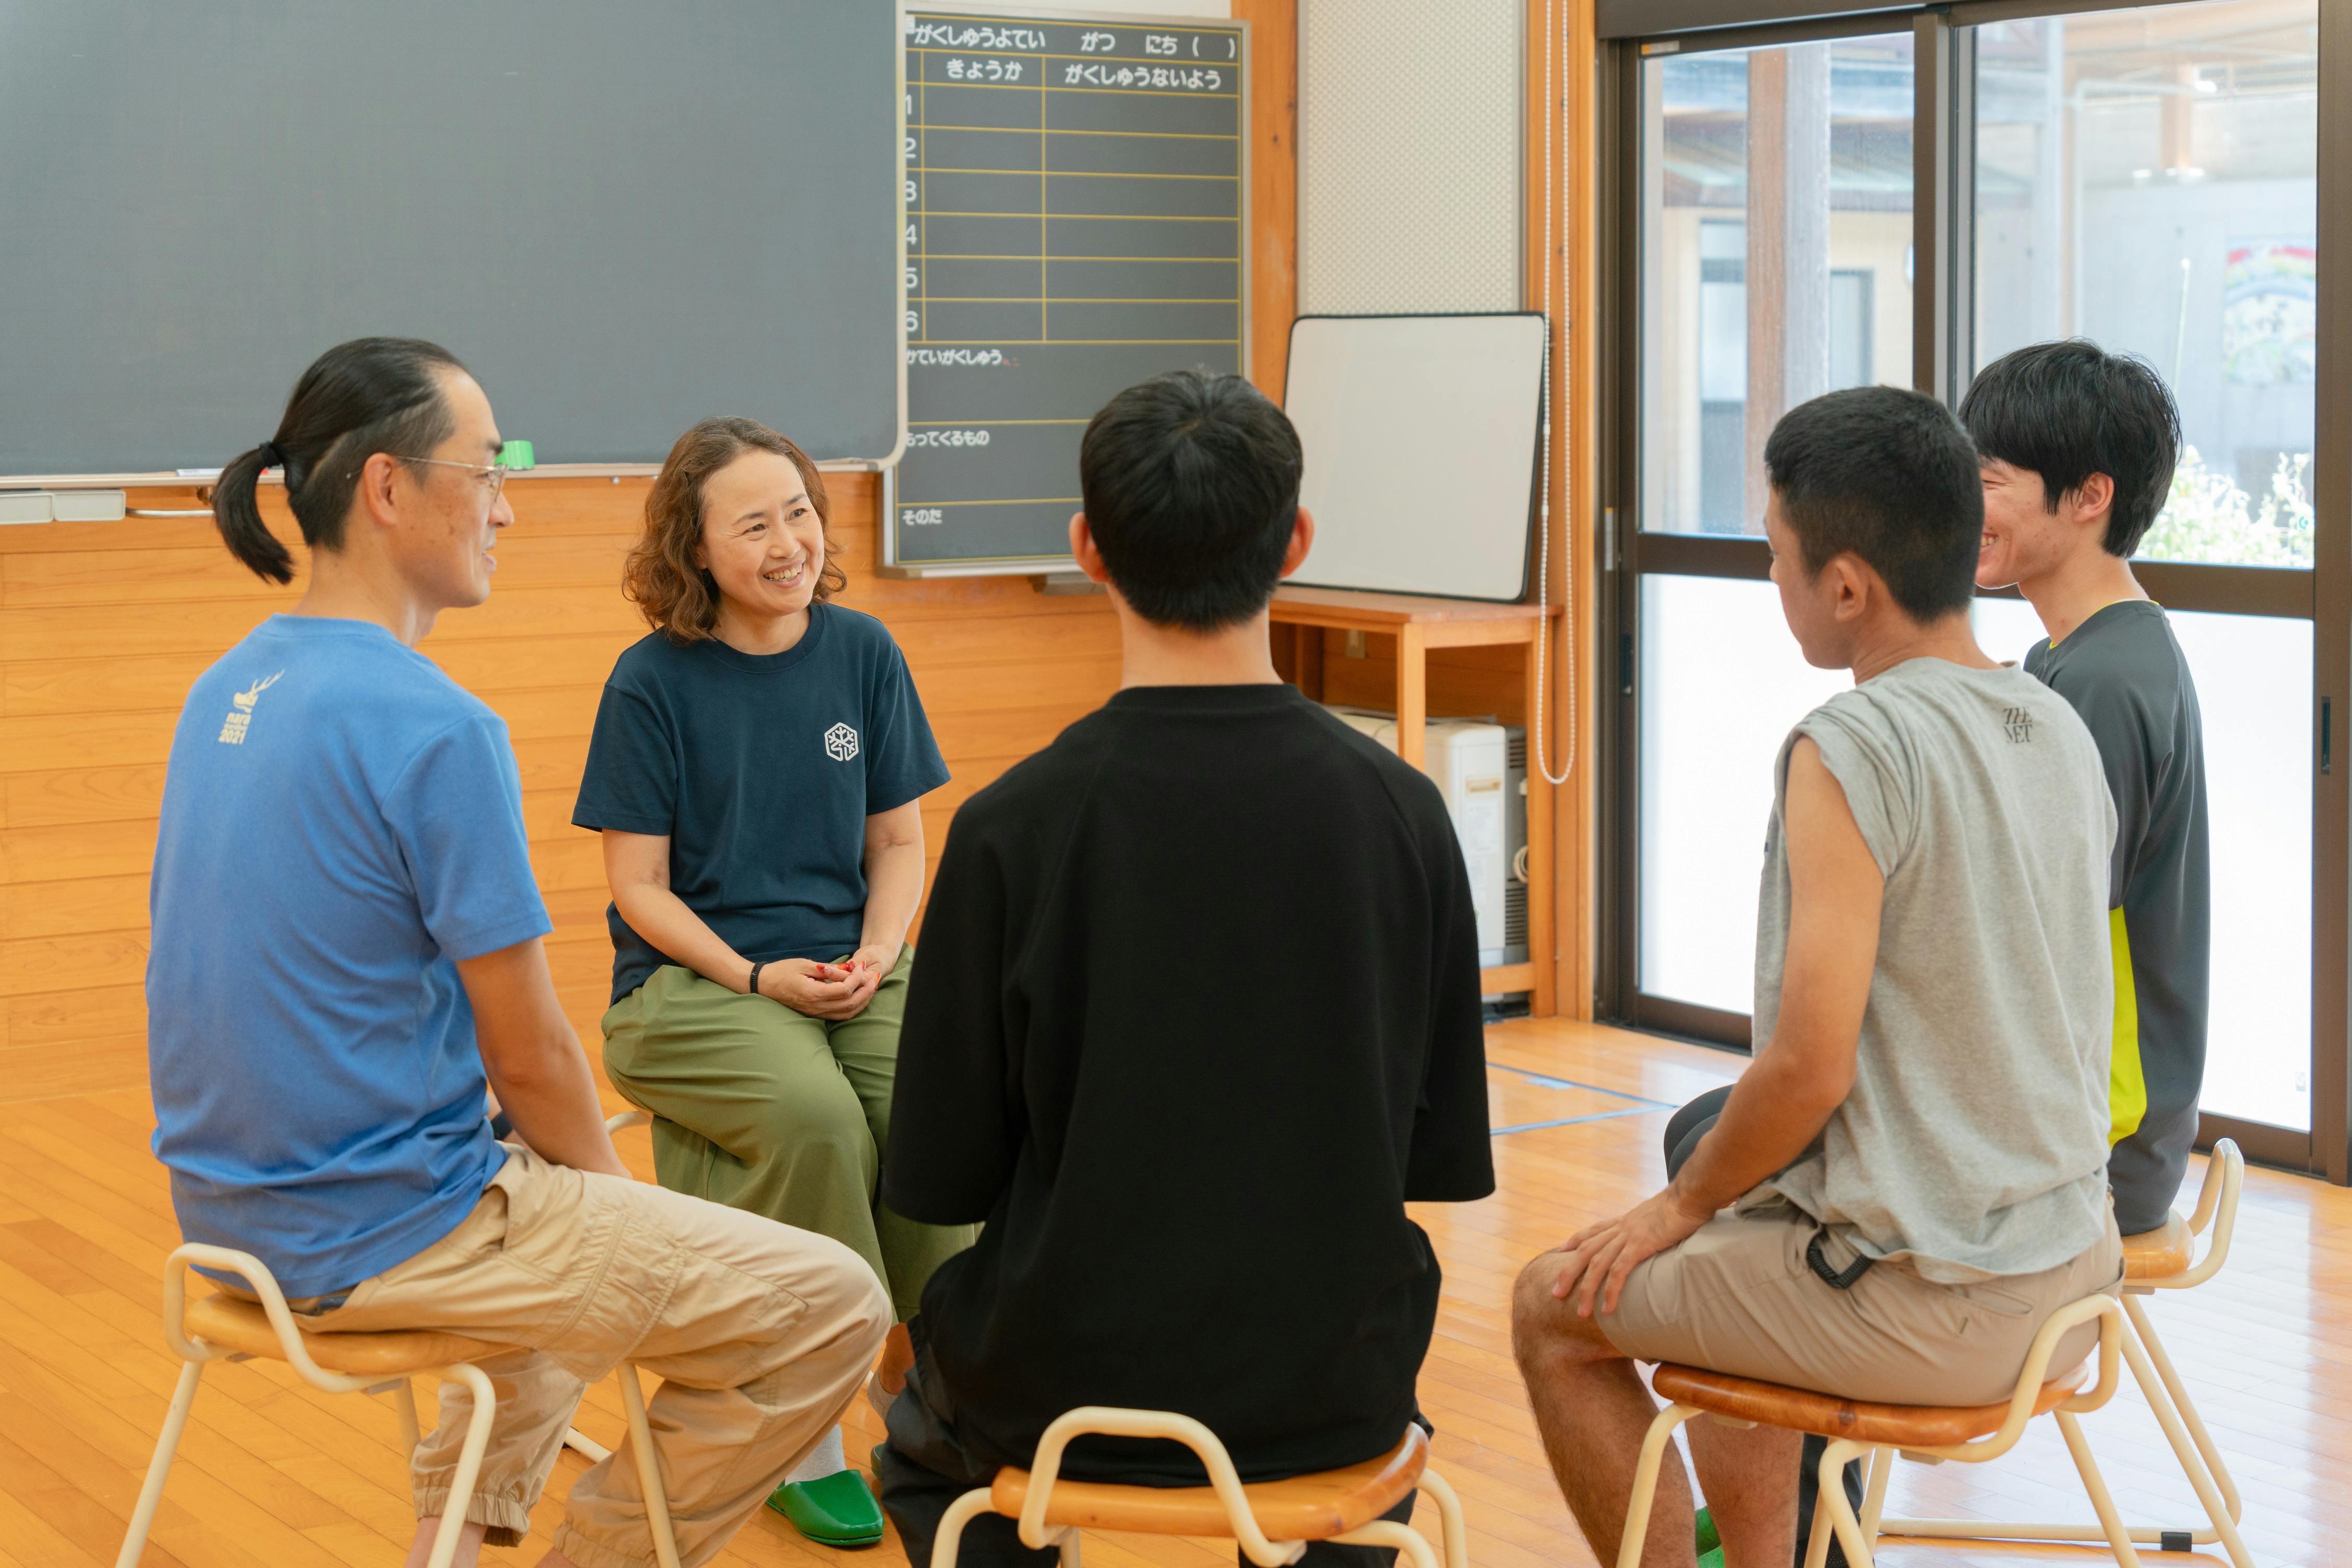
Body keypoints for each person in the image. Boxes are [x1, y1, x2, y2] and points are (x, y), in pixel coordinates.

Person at [146, 340, 889, 1568]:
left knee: (551, 1199)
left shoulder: (228, 688)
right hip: (384, 1235)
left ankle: (450, 1543)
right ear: (389, 488)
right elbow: (534, 1053)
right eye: (489, 470)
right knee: (835, 1304)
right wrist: (622, 1204)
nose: (506, 506)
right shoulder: (438, 726)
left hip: (229, 1214)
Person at [869, 370, 1495, 1567]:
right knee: (1356, 1466)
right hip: (1332, 1382)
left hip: (1059, 1380)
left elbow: (943, 1179)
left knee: (923, 1449)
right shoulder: (1405, 815)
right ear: (1296, 542)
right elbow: (1440, 1157)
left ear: (1087, 551)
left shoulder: (1009, 829)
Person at [1512, 386, 2123, 1568]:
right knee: (1740, 1198)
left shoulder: (1851, 746)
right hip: (2076, 1263)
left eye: (1777, 555)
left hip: (1950, 1301)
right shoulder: (2053, 720)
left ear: (1845, 588)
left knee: (1554, 1304)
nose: (1771, 576)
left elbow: (1807, 1068)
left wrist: (1675, 1211)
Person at [1665, 344, 2211, 1566]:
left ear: (2090, 499)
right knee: (1728, 1133)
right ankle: (1801, 1503)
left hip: (2099, 1136)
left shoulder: (2088, 693)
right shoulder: (2070, 670)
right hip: (2084, 1113)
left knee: (1731, 1155)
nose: (1971, 502)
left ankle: (1803, 1514)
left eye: (1994, 476)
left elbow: (2008, 937)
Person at [573, 416, 972, 1548]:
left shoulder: (864, 653)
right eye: (753, 525)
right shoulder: (651, 682)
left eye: (799, 512)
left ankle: (928, 1386)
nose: (789, 542)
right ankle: (803, 1436)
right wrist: (757, 974)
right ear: (695, 549)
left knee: (938, 1106)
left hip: (852, 967)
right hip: (691, 984)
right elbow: (640, 888)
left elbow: (898, 842)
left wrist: (880, 954)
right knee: (814, 1121)